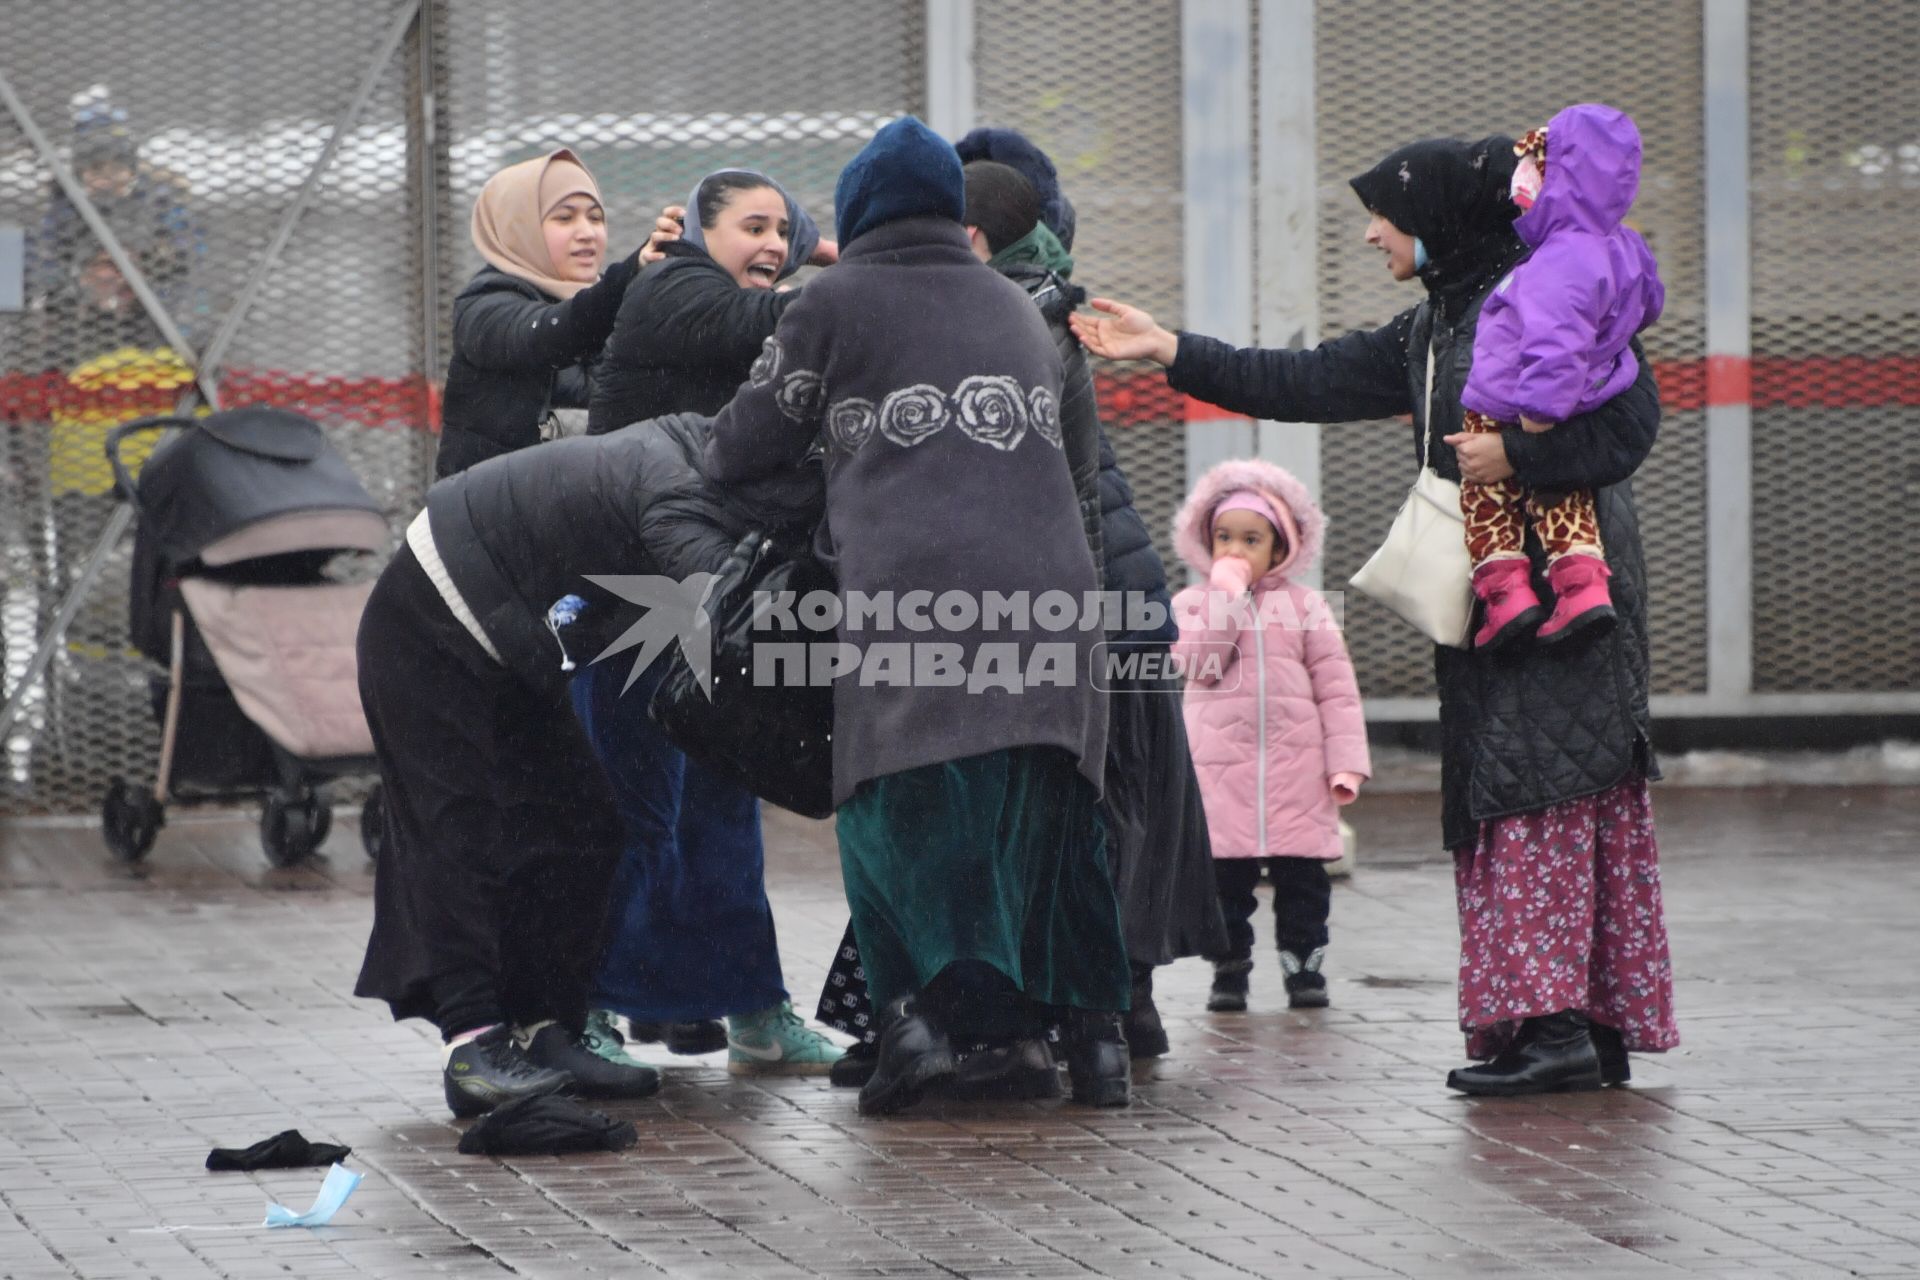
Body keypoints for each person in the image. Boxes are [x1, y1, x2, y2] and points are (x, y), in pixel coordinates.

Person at [1072, 133, 1677, 1096]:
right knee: (1523, 792)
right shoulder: (1433, 326)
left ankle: (1559, 1029)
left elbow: (1632, 422)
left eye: (1384, 217)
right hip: (1499, 606)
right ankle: (1572, 1026)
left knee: (1545, 794)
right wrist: (1168, 350)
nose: (1369, 235)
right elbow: (1303, 379)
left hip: (1571, 606)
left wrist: (1519, 462)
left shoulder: (1551, 289)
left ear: (1438, 223)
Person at [704, 117, 1130, 1115]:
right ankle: (1043, 1041)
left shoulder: (833, 299)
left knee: (893, 817)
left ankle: (913, 1029)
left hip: (913, 606)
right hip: (1053, 608)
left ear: (856, 208)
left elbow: (735, 446)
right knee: (1035, 821)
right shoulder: (1019, 307)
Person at [353, 412, 817, 1116]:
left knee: (586, 823)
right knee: (459, 831)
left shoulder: (710, 451)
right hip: (428, 618)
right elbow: (734, 623)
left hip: (512, 638)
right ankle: (473, 1044)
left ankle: (548, 1027)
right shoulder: (681, 500)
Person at [573, 168, 842, 1077]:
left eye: (785, 230)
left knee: (725, 808)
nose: (770, 245)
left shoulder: (758, 304)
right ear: (699, 231)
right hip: (629, 599)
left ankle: (754, 1011)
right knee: (631, 807)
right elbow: (762, 324)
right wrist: (874, 273)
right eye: (752, 228)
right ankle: (590, 1008)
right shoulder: (672, 288)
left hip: (719, 598)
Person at [1458, 104, 1665, 651]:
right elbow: (1649, 305)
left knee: (1487, 498)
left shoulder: (1558, 260)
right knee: (1561, 496)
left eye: (1533, 170)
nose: (1520, 184)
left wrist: (1534, 417)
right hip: (1585, 395)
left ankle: (1506, 596)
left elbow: (1553, 346)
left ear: (1563, 178)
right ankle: (1582, 589)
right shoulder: (1624, 244)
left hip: (1513, 403)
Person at [1167, 460, 1369, 1011]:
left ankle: (1304, 969)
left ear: (1281, 548)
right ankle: (1228, 971)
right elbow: (1200, 666)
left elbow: (1337, 692)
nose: (1235, 549)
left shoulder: (1307, 607)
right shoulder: (1191, 606)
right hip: (1220, 781)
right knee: (1224, 888)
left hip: (1296, 779)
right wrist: (1226, 598)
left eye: (1251, 539)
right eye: (1224, 537)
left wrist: (1344, 764)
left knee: (1304, 887)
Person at [433, 148, 637, 478]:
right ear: (520, 226)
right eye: (564, 217)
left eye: (595, 217)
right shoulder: (484, 305)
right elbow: (550, 334)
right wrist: (630, 276)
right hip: (494, 518)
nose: (586, 232)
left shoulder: (620, 304)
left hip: (595, 508)